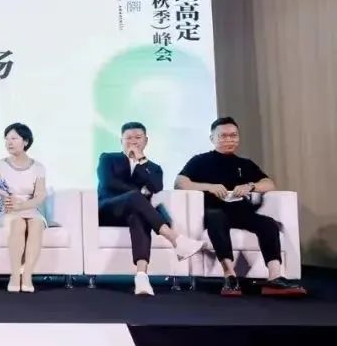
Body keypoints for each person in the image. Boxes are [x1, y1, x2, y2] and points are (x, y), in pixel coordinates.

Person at [175, 117, 306, 297]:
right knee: (216, 217)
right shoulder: (200, 160)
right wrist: (209, 187)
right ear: (212, 138)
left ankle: (275, 277)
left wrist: (250, 186)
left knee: (268, 223)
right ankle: (230, 276)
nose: (229, 140)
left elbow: (269, 184)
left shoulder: (245, 163)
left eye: (233, 135)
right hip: (214, 211)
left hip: (241, 211)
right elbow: (180, 182)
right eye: (223, 136)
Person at [97, 121, 204, 296]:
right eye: (128, 138)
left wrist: (141, 162)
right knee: (135, 197)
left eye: (138, 138)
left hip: (135, 212)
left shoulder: (153, 168)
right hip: (108, 209)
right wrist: (138, 192)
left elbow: (156, 187)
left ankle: (141, 277)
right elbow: (109, 183)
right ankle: (176, 240)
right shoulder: (108, 158)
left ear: (146, 141)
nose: (133, 142)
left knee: (139, 217)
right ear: (121, 141)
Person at [0, 123, 47, 293]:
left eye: (14, 138)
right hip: (8, 208)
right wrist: (3, 193)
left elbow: (39, 196)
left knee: (36, 224)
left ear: (25, 141)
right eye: (7, 139)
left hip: (30, 208)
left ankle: (27, 275)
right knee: (18, 224)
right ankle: (15, 275)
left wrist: (22, 205)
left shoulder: (38, 167)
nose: (9, 142)